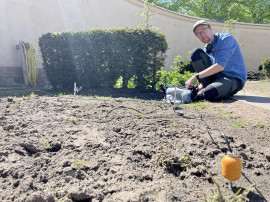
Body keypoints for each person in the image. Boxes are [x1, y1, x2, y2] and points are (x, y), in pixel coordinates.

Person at [185, 20, 247, 101]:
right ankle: (201, 93)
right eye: (198, 33)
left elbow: (220, 66)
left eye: (204, 30)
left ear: (210, 28)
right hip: (218, 77)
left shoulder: (226, 39)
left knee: (209, 92)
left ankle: (211, 93)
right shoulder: (206, 49)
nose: (202, 35)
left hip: (234, 78)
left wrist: (195, 77)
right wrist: (197, 89)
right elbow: (210, 73)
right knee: (196, 54)